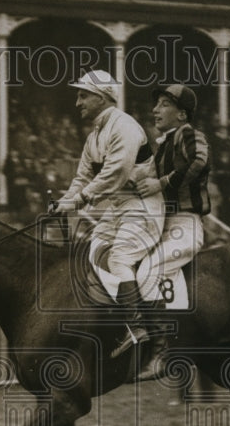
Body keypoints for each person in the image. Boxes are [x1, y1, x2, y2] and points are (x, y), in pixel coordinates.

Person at [49, 70, 164, 356]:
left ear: (101, 98)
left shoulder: (124, 127)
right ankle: (117, 321)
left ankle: (140, 328)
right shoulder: (94, 137)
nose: (78, 102)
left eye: (83, 95)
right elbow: (82, 178)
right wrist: (64, 201)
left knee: (119, 257)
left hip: (144, 206)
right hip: (117, 208)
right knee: (91, 251)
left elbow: (115, 173)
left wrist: (77, 202)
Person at [132, 84, 211, 378]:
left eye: (164, 104)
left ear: (181, 114)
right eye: (157, 104)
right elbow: (139, 175)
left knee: (147, 272)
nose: (155, 110)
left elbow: (199, 162)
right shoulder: (163, 145)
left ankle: (163, 350)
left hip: (186, 225)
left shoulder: (190, 134)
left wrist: (161, 184)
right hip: (164, 227)